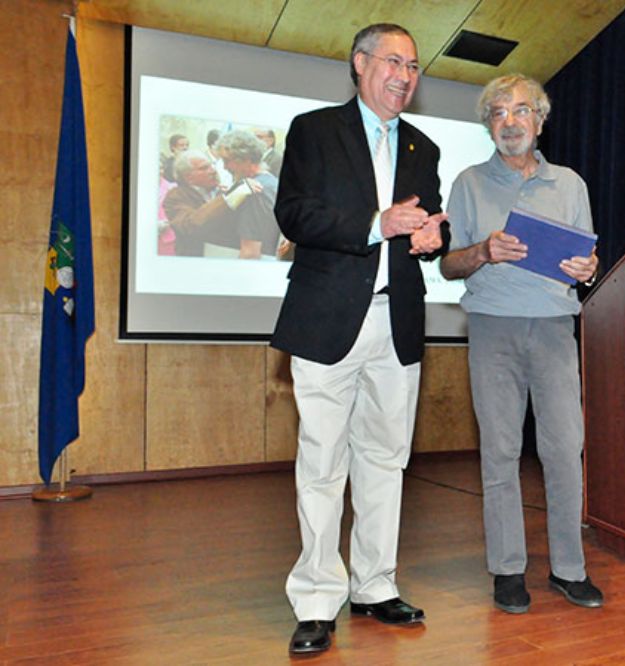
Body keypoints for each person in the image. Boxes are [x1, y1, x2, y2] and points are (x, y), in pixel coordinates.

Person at [269, 23, 447, 656]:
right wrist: (378, 223)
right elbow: (293, 213)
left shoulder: (424, 148)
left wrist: (433, 240)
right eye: (393, 61)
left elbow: (430, 230)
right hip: (327, 319)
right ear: (360, 64)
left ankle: (375, 585)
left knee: (385, 460)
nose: (405, 74)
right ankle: (317, 598)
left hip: (396, 323)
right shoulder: (313, 131)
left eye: (415, 65)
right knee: (322, 462)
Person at [440, 74, 603, 615]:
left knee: (563, 450)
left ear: (540, 120)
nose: (510, 122)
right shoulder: (467, 182)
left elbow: (586, 260)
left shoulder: (570, 184)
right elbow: (447, 263)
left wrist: (588, 267)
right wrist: (484, 250)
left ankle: (569, 569)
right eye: (498, 113)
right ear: (488, 124)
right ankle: (508, 570)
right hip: (493, 326)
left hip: (556, 328)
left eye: (521, 111)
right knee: (502, 451)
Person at [162, 150, 241, 257]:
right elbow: (190, 226)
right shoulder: (176, 196)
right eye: (204, 168)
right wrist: (225, 200)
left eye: (212, 165)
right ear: (188, 177)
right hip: (195, 260)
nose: (213, 171)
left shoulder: (220, 191)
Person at [215, 130, 280, 259]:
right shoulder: (271, 182)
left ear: (246, 159)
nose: (224, 167)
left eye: (227, 160)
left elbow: (250, 252)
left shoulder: (253, 191)